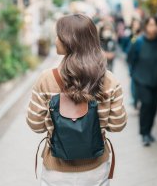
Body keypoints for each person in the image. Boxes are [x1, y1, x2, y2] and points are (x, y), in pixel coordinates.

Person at [27, 13, 127, 186]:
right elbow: (117, 125)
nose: (56, 39)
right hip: (96, 170)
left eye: (59, 35)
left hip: (55, 171)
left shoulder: (46, 79)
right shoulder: (109, 80)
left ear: (70, 41)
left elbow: (35, 125)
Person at [127, 17, 157, 147]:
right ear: (146, 26)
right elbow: (131, 59)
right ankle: (144, 133)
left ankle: (149, 131)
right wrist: (133, 75)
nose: (154, 27)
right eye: (151, 24)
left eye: (156, 25)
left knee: (153, 106)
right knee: (146, 104)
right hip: (141, 79)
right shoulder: (138, 42)